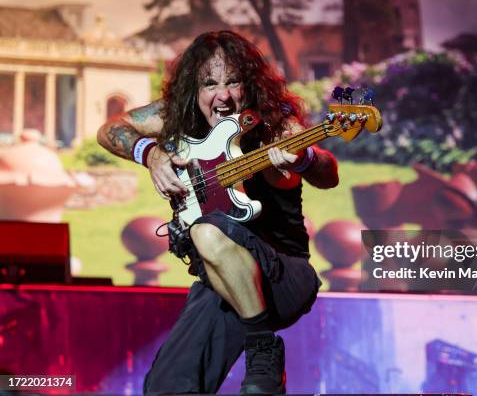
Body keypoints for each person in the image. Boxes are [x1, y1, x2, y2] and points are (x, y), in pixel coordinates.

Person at [97, 30, 338, 394]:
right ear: (193, 89)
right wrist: (152, 153)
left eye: (233, 82)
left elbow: (329, 173)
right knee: (167, 386)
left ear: (249, 84)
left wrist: (302, 158)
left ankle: (264, 347)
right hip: (223, 282)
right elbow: (111, 129)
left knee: (209, 229)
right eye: (209, 84)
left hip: (282, 276)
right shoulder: (179, 117)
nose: (222, 96)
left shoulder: (275, 124)